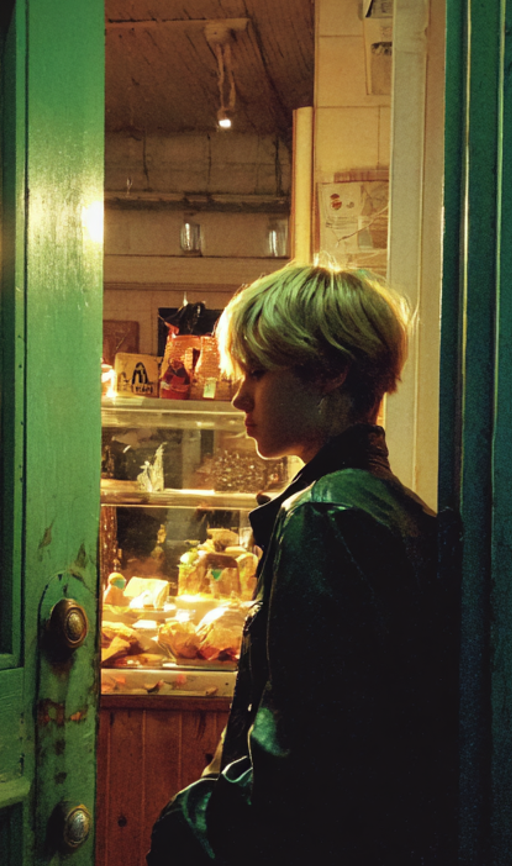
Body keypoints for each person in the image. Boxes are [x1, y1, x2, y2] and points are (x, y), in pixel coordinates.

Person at [147, 261, 445, 866]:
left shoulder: (325, 519)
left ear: (330, 370)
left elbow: (300, 769)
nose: (238, 395)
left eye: (256, 371)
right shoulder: (388, 507)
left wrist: (184, 825)